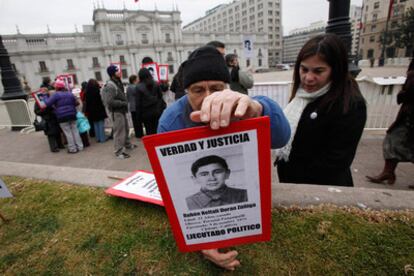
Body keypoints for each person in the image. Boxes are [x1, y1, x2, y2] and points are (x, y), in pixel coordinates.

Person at [157, 45, 290, 270]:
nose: (209, 98)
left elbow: (281, 137)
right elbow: (172, 186)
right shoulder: (170, 122)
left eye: (217, 88)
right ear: (185, 91)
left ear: (228, 87)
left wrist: (257, 110)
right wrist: (200, 240)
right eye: (198, 90)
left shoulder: (244, 106)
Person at [275, 34, 367, 187]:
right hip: (293, 182)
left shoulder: (351, 104)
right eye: (304, 69)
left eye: (318, 71)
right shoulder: (302, 96)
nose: (308, 78)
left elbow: (337, 160)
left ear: (336, 70)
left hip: (320, 188)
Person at [366, 64, 414, 185]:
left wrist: (403, 93)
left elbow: (407, 92)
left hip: (410, 116)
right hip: (408, 116)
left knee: (394, 139)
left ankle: (388, 172)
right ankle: (388, 172)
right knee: (392, 139)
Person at [102, 65, 136, 159]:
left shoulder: (117, 82)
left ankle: (127, 145)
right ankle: (119, 151)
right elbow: (109, 101)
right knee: (119, 132)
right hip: (116, 111)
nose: (119, 72)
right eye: (117, 71)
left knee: (125, 129)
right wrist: (123, 103)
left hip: (121, 110)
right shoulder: (110, 85)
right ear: (113, 73)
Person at [45, 79, 83, 153]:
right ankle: (80, 146)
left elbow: (48, 103)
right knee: (75, 130)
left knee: (68, 132)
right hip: (72, 114)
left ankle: (72, 148)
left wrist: (45, 97)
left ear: (57, 87)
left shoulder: (56, 95)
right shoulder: (70, 93)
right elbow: (77, 103)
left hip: (62, 116)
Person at [136, 68, 166, 135]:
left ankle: (152, 145)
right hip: (157, 112)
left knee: (149, 132)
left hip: (146, 114)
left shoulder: (138, 87)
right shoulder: (156, 84)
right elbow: (160, 97)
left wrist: (138, 118)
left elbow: (138, 104)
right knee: (158, 130)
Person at [85, 79, 108, 143]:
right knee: (100, 123)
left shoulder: (87, 92)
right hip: (99, 109)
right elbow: (101, 100)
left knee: (95, 124)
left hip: (91, 111)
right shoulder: (97, 91)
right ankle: (102, 138)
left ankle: (98, 138)